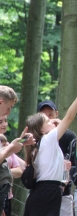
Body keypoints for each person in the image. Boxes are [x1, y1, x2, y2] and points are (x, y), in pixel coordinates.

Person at [23, 79, 77, 216]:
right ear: (41, 130)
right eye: (48, 121)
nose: (52, 121)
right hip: (47, 193)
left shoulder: (39, 145)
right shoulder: (48, 139)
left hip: (46, 192)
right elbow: (70, 117)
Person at [37, 100, 77, 216]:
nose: (48, 119)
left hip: (63, 192)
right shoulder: (35, 137)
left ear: (57, 114)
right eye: (44, 116)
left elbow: (74, 162)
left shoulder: (69, 136)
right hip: (40, 190)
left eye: (50, 115)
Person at [0, 86, 35, 215]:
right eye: (8, 108)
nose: (8, 113)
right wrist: (11, 147)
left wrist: (21, 142)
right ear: (1, 102)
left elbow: (6, 152)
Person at [0, 116, 25, 216]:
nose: (4, 124)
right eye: (0, 121)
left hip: (7, 195)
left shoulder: (8, 145)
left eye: (5, 121)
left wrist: (23, 143)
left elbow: (21, 169)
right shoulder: (8, 147)